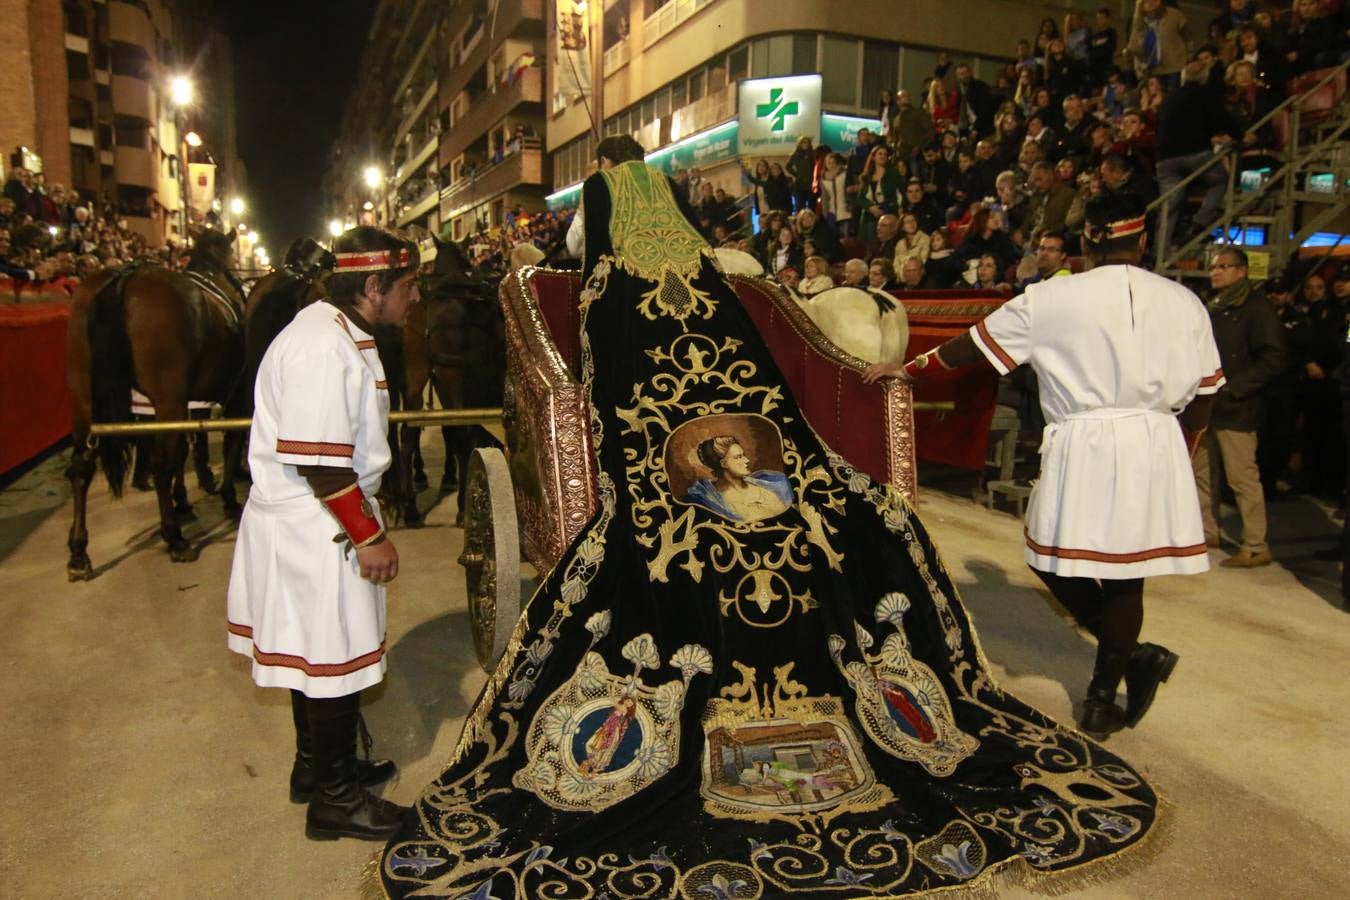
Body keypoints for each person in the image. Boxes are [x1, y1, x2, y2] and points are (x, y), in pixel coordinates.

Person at [378, 134, 1162, 899]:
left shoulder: (600, 297)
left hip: (716, 482)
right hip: (701, 483)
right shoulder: (721, 291)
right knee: (859, 530)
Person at [866, 193, 1224, 740]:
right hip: (1156, 439)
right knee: (1125, 576)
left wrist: (909, 369)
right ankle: (1124, 671)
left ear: (1086, 245)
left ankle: (1111, 687)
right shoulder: (1185, 301)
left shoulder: (1052, 297)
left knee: (1053, 558)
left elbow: (972, 348)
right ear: (1144, 242)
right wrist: (1183, 451)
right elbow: (1205, 394)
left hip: (1085, 439)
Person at [228, 226, 420, 841]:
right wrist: (369, 537)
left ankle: (316, 770)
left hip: (315, 518)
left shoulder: (336, 331)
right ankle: (336, 800)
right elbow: (321, 461)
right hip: (317, 524)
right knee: (331, 661)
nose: (415, 298)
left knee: (316, 659)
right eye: (409, 286)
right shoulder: (322, 347)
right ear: (373, 286)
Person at [1193, 247, 1285, 567]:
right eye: (1213, 267)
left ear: (1242, 271)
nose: (1215, 272)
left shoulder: (1256, 308)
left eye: (1224, 266)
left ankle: (1256, 545)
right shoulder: (1214, 307)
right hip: (1209, 403)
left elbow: (1273, 357)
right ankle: (1207, 531)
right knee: (1204, 472)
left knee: (1241, 478)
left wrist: (1234, 390)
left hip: (1236, 406)